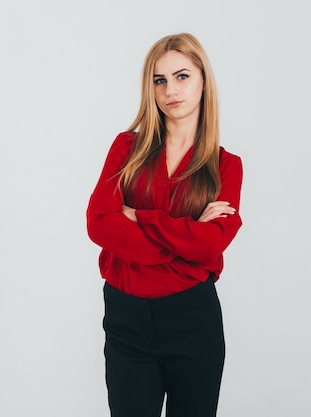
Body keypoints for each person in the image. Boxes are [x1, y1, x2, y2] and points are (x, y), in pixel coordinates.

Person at [86, 33, 243, 417]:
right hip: (126, 319)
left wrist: (138, 216)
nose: (171, 89)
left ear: (204, 81)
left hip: (192, 320)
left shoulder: (226, 167)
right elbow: (100, 224)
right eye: (160, 80)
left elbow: (210, 245)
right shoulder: (127, 148)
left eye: (182, 76)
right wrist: (183, 240)